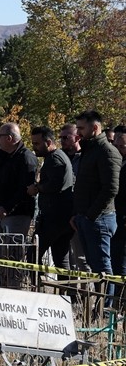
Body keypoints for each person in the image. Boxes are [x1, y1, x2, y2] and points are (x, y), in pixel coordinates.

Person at [70, 110, 122, 281]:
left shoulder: (107, 152)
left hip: (99, 219)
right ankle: (100, 306)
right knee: (95, 266)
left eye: (81, 128)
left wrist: (90, 215)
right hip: (87, 217)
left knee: (102, 267)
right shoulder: (90, 150)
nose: (78, 133)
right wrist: (79, 215)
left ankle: (106, 308)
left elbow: (111, 188)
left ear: (95, 127)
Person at [27, 126, 74, 272]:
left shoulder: (55, 158)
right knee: (61, 260)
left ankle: (39, 288)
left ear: (48, 143)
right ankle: (67, 293)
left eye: (37, 144)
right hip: (61, 218)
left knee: (32, 255)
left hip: (54, 218)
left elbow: (56, 184)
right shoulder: (57, 156)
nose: (34, 147)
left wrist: (37, 188)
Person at [0, 122, 37, 237]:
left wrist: (7, 208)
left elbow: (25, 189)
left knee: (13, 252)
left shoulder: (26, 158)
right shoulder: (3, 155)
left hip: (17, 215)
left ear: (9, 138)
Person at [59, 122, 88, 271]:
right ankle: (71, 293)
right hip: (62, 213)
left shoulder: (85, 158)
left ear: (77, 137)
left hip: (78, 213)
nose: (62, 141)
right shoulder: (60, 157)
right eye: (60, 138)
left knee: (81, 259)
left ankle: (88, 293)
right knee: (67, 259)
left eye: (66, 138)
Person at [111, 125, 126, 301]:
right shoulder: (115, 163)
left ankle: (121, 303)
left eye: (123, 146)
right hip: (115, 219)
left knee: (121, 266)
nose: (120, 150)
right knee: (115, 264)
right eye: (117, 145)